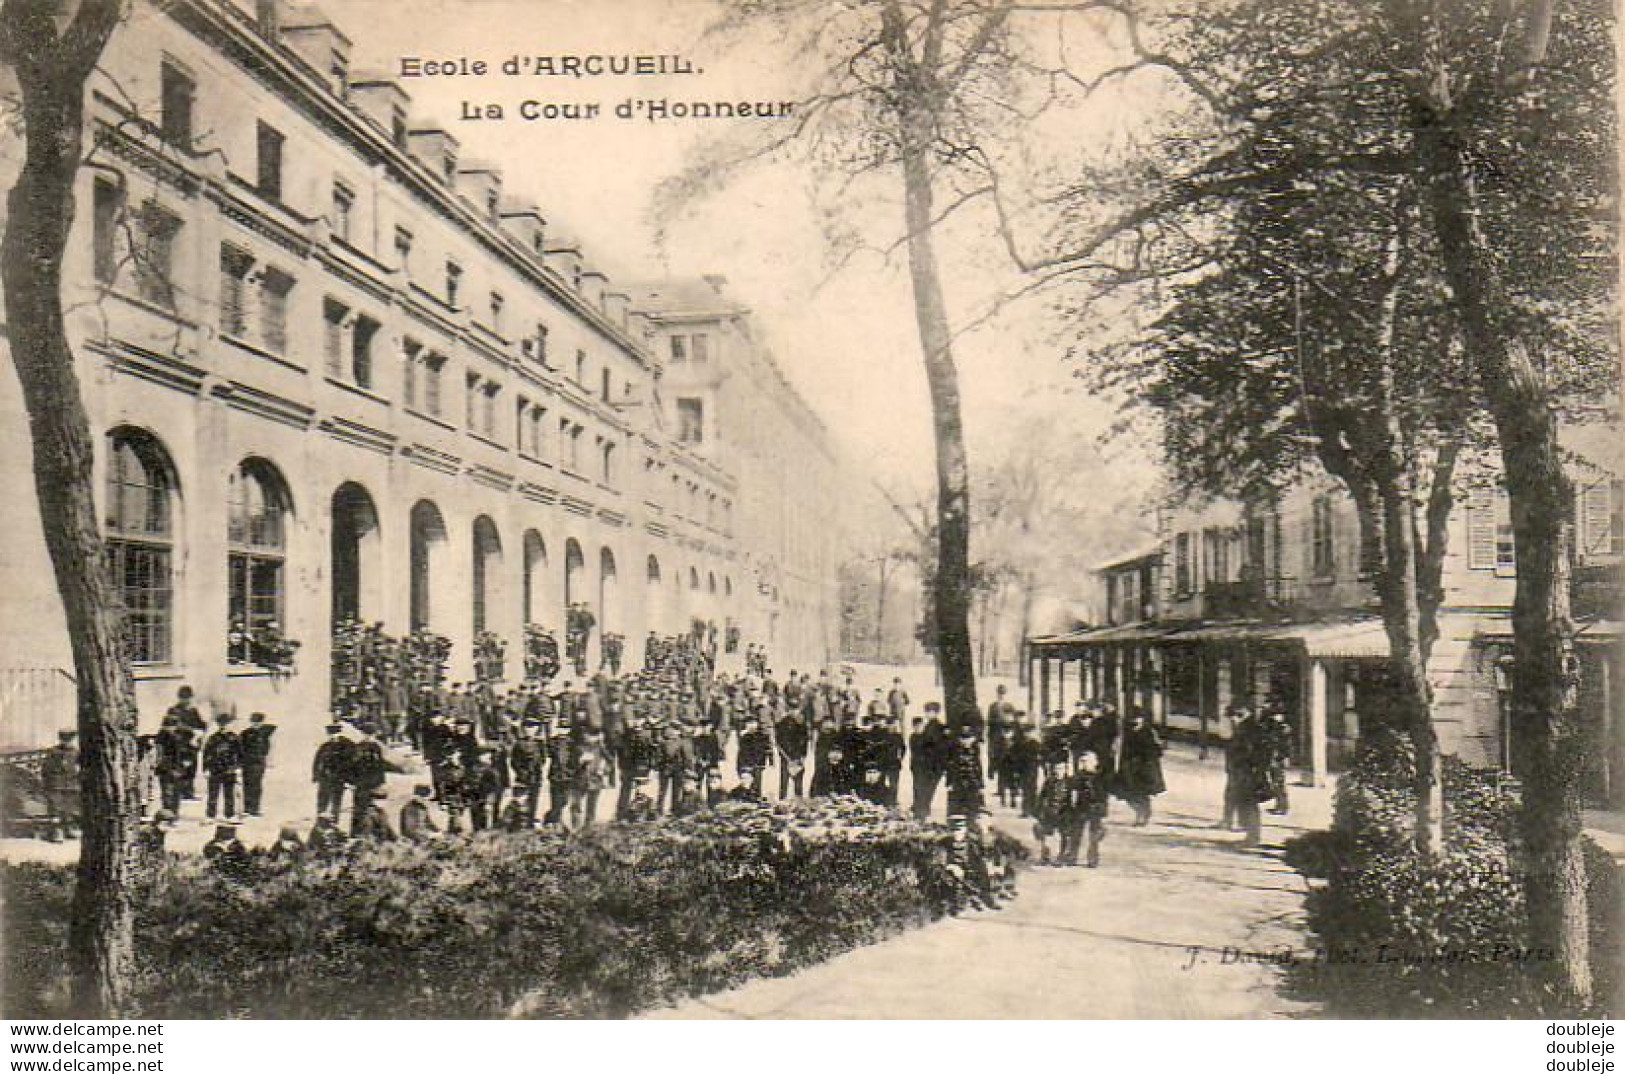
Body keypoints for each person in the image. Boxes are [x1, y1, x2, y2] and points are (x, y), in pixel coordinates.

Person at [1116, 709, 1166, 826]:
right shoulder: (1128, 731)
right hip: (1129, 767)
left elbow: (1157, 751)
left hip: (1144, 769)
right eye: (1133, 718)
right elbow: (1124, 750)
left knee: (1141, 793)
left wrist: (1147, 758)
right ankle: (1140, 812)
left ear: (1143, 719)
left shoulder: (1148, 732)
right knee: (1128, 793)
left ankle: (1143, 815)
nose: (1135, 721)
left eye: (1138, 718)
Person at [1068, 751, 1110, 867]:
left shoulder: (1101, 776)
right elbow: (1072, 787)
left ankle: (1093, 859)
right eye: (1082, 762)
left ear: (1094, 762)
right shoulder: (1079, 775)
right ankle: (1072, 856)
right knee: (1075, 833)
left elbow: (1104, 795)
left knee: (1094, 836)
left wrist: (1103, 809)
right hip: (1081, 808)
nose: (1084, 764)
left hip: (1095, 809)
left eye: (1086, 762)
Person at [1032, 757, 1074, 865]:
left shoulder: (1070, 782)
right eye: (1057, 769)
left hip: (1065, 812)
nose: (1058, 771)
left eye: (1061, 769)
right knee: (1046, 833)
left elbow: (1074, 799)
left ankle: (1061, 856)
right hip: (1050, 811)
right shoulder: (1049, 782)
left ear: (1065, 770)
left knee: (1065, 834)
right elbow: (1042, 796)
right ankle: (1045, 856)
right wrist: (1038, 811)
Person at [909, 704, 948, 819]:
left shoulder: (939, 727)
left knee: (928, 788)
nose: (927, 714)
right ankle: (921, 808)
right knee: (924, 787)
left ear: (935, 713)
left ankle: (922, 809)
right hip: (926, 764)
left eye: (929, 712)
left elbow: (938, 747)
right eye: (926, 711)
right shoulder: (927, 727)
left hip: (934, 764)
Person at [40, 730, 79, 842]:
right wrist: (48, 783)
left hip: (71, 784)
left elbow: (80, 767)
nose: (67, 741)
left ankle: (68, 829)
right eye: (64, 739)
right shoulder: (53, 752)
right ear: (60, 739)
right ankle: (56, 832)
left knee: (68, 809)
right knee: (55, 809)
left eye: (70, 739)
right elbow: (46, 769)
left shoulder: (75, 752)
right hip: (55, 784)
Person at [202, 712, 243, 820]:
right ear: (218, 725)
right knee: (212, 794)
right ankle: (210, 815)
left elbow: (241, 755)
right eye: (221, 724)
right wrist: (206, 769)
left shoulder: (235, 738)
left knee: (229, 794)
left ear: (230, 724)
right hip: (215, 770)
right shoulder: (213, 738)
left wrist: (238, 768)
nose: (224, 726)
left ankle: (229, 815)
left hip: (229, 770)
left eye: (226, 723)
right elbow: (206, 754)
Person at [238, 711, 276, 817]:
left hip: (258, 763)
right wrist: (240, 762)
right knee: (247, 785)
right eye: (254, 722)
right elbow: (240, 748)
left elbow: (268, 746)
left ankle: (255, 808)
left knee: (256, 786)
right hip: (247, 762)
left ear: (262, 722)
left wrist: (265, 758)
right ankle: (247, 808)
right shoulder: (245, 733)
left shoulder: (265, 733)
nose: (256, 724)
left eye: (258, 722)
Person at [153, 716, 193, 817]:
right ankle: (167, 814)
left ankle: (173, 814)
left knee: (175, 793)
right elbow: (159, 754)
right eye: (167, 727)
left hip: (176, 769)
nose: (170, 729)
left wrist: (184, 764)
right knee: (167, 793)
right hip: (166, 769)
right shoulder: (162, 736)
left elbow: (187, 752)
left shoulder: (180, 737)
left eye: (171, 727)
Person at [312, 723, 353, 820]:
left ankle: (334, 821)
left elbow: (350, 763)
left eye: (335, 733)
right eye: (331, 734)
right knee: (322, 800)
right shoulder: (325, 746)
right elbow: (317, 761)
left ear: (339, 733)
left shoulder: (346, 745)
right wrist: (316, 775)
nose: (333, 736)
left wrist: (349, 779)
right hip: (325, 778)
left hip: (339, 779)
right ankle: (321, 820)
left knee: (336, 801)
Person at [945, 723, 985, 818]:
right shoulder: (955, 752)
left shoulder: (975, 751)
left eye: (969, 740)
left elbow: (978, 767)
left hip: (972, 782)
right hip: (958, 782)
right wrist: (949, 782)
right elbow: (951, 767)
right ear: (960, 740)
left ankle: (972, 820)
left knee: (973, 805)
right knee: (957, 807)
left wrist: (980, 783)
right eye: (964, 740)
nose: (967, 742)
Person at [776, 706, 810, 799]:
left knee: (798, 781)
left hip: (798, 757)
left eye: (796, 709)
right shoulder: (782, 724)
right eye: (792, 710)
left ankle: (798, 799)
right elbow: (779, 743)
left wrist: (803, 756)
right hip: (786, 756)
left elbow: (805, 741)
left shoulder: (802, 724)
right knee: (784, 780)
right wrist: (787, 758)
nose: (795, 712)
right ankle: (782, 798)